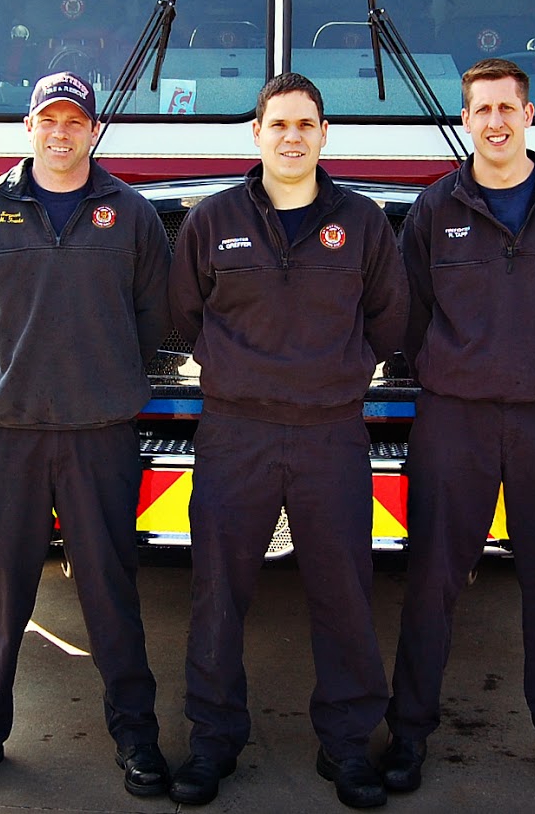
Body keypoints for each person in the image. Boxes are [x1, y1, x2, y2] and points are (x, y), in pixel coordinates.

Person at [380, 58, 535, 805]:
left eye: (505, 108)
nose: (493, 121)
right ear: (466, 120)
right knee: (433, 581)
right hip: (456, 419)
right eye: (480, 109)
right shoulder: (432, 209)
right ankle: (409, 732)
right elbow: (407, 315)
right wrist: (453, 371)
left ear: (528, 114)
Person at [166, 73, 407, 809]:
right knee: (217, 592)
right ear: (257, 135)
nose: (292, 137)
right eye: (279, 125)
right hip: (234, 432)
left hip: (330, 433)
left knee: (343, 594)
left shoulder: (363, 223)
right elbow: (181, 317)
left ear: (324, 134)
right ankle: (212, 743)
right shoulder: (211, 220)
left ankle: (346, 748)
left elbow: (392, 323)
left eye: (305, 124)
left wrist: (335, 373)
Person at [0, 71, 172, 798]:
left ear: (94, 131)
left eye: (75, 122)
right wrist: (15, 373)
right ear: (29, 128)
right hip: (6, 432)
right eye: (49, 120)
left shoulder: (130, 215)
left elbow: (153, 317)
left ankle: (136, 737)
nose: (61, 133)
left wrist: (97, 375)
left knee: (110, 590)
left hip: (99, 433)